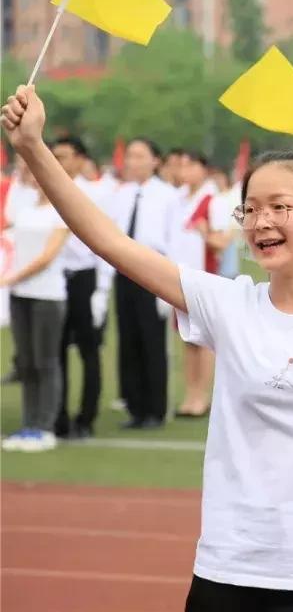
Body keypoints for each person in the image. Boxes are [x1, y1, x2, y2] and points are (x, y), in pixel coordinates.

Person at [2, 84, 293, 611]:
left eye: (280, 207)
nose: (261, 222)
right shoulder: (227, 304)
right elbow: (111, 242)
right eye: (250, 209)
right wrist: (32, 147)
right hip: (229, 564)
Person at [107, 137, 179, 429]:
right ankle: (134, 406)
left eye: (139, 156)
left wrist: (171, 287)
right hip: (124, 271)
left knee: (152, 340)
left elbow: (174, 240)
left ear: (155, 161)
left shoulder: (168, 195)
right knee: (128, 339)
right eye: (130, 156)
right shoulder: (121, 194)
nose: (132, 162)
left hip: (154, 270)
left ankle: (155, 409)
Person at [0, 166, 69, 452]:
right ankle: (29, 425)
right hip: (20, 295)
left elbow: (47, 257)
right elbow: (9, 240)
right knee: (26, 363)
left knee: (46, 362)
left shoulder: (61, 211)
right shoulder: (25, 208)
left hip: (47, 294)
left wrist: (12, 277)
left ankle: (45, 427)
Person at [52, 137, 113, 439]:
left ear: (79, 159)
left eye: (63, 156)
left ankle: (86, 417)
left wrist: (101, 289)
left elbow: (108, 241)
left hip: (84, 277)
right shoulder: (47, 189)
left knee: (88, 350)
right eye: (54, 156)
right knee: (56, 350)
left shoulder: (95, 193)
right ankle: (58, 415)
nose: (58, 162)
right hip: (53, 278)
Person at [170, 151, 219, 418]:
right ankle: (190, 395)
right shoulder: (178, 200)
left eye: (190, 165)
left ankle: (202, 397)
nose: (183, 170)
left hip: (205, 277)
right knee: (187, 339)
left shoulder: (213, 200)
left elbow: (222, 242)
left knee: (204, 341)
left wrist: (205, 234)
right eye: (180, 165)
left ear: (203, 169)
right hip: (180, 277)